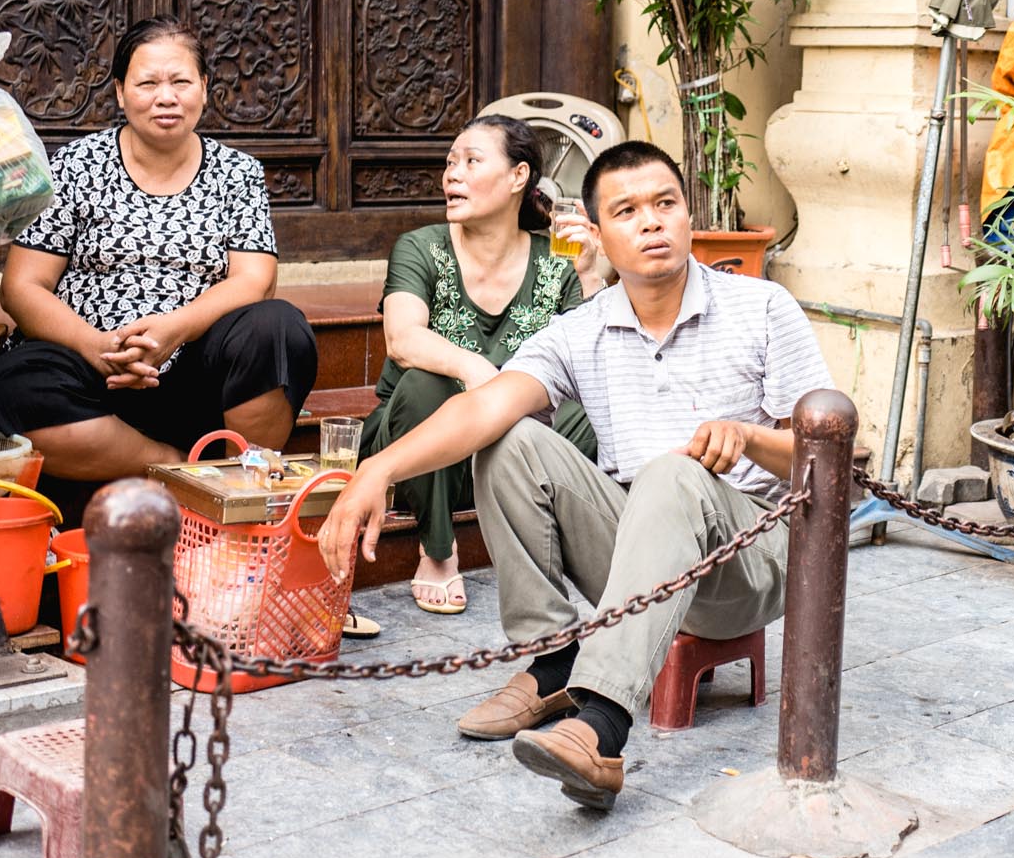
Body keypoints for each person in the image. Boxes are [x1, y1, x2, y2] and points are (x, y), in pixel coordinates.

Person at [321, 141, 834, 810]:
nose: (651, 221)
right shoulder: (581, 330)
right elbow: (484, 405)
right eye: (627, 210)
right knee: (509, 441)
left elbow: (836, 459)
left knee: (671, 475)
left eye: (665, 204)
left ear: (687, 216)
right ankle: (555, 658)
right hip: (638, 561)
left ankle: (602, 728)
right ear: (595, 234)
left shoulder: (763, 307)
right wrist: (377, 470)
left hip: (751, 562)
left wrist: (750, 438)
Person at [0, 17, 318, 504]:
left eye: (180, 81)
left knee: (278, 328)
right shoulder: (74, 165)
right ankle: (178, 469)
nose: (166, 96)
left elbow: (254, 280)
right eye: (148, 82)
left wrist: (172, 330)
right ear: (119, 91)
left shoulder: (237, 172)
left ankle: (244, 483)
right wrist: (99, 346)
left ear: (204, 88)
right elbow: (22, 287)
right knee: (5, 389)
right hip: (89, 380)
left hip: (197, 375)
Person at [363, 115, 603, 614]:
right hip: (422, 444)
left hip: (507, 443)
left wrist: (590, 277)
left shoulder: (557, 260)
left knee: (591, 411)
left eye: (471, 161)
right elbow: (402, 340)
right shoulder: (421, 246)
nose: (452, 174)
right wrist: (477, 374)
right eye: (451, 163)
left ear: (519, 177)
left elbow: (589, 361)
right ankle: (438, 550)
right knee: (426, 384)